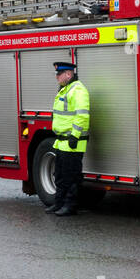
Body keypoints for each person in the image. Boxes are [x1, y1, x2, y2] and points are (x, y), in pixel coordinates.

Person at [47, 60, 90, 217]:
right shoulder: (66, 89)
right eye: (57, 74)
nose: (57, 77)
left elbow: (82, 116)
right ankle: (59, 203)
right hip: (61, 141)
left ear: (68, 74)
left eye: (59, 74)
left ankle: (70, 206)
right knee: (59, 175)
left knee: (71, 176)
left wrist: (74, 136)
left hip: (72, 142)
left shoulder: (78, 90)